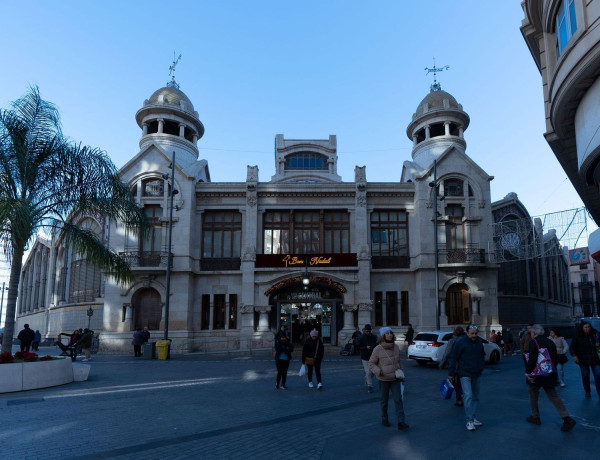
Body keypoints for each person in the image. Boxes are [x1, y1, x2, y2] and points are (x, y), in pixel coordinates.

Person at [525, 324, 576, 431]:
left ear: (534, 333)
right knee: (553, 395)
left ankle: (535, 416)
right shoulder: (550, 342)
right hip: (549, 373)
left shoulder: (534, 342)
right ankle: (566, 417)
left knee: (533, 393)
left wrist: (529, 373)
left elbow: (532, 360)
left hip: (537, 374)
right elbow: (555, 358)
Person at [369, 327, 409, 431]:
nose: (390, 334)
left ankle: (401, 421)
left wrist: (401, 372)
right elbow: (371, 363)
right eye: (387, 333)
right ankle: (384, 418)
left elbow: (399, 361)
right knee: (384, 400)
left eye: (391, 332)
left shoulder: (395, 347)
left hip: (395, 378)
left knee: (398, 399)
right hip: (384, 379)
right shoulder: (378, 349)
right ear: (383, 335)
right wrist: (379, 371)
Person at [448, 324, 485, 431]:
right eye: (472, 333)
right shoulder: (461, 343)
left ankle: (473, 417)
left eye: (476, 334)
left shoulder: (479, 343)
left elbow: (482, 355)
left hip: (477, 373)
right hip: (465, 374)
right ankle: (469, 420)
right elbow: (453, 357)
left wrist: (481, 367)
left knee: (475, 397)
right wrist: (451, 372)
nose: (474, 335)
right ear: (467, 333)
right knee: (468, 396)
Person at [570, 321, 600, 398]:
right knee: (585, 376)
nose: (587, 329)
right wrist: (574, 355)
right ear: (582, 328)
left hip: (595, 358)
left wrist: (598, 343)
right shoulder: (577, 336)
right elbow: (572, 346)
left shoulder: (594, 334)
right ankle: (587, 391)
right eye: (585, 327)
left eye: (589, 327)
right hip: (583, 359)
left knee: (598, 375)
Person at [439, 326, 465, 407]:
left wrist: (441, 363)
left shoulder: (452, 340)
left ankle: (460, 394)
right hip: (463, 364)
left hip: (454, 364)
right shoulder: (464, 340)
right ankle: (459, 400)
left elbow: (447, 353)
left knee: (452, 380)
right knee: (460, 381)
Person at [358, 324, 378, 393]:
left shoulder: (374, 337)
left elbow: (377, 345)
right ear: (364, 331)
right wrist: (365, 347)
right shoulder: (361, 337)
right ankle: (370, 386)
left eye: (369, 331)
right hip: (365, 356)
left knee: (374, 371)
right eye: (367, 331)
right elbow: (358, 347)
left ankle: (367, 378)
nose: (368, 333)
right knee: (368, 372)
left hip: (373, 356)